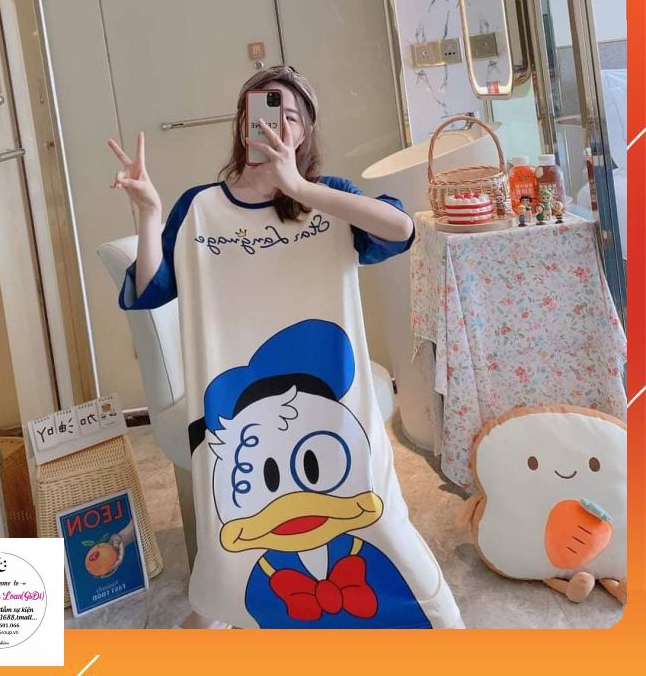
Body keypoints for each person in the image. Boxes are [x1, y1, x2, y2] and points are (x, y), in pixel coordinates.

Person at [108, 65, 464, 629]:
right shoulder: (200, 207)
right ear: (242, 125)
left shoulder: (330, 200)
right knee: (239, 539)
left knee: (373, 515)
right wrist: (150, 212)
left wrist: (298, 188)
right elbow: (153, 290)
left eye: (289, 116)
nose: (274, 126)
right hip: (235, 417)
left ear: (305, 131)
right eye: (262, 113)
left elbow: (401, 230)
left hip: (333, 407)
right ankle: (225, 612)